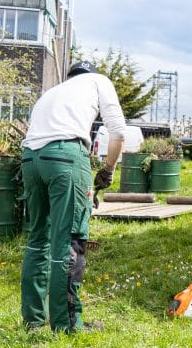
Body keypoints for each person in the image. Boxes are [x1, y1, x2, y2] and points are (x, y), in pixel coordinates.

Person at [19, 60, 127, 333]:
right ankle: (67, 325)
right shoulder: (99, 81)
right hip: (65, 157)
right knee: (70, 240)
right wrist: (109, 169)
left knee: (38, 237)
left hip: (31, 160)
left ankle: (33, 320)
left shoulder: (52, 92)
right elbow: (118, 133)